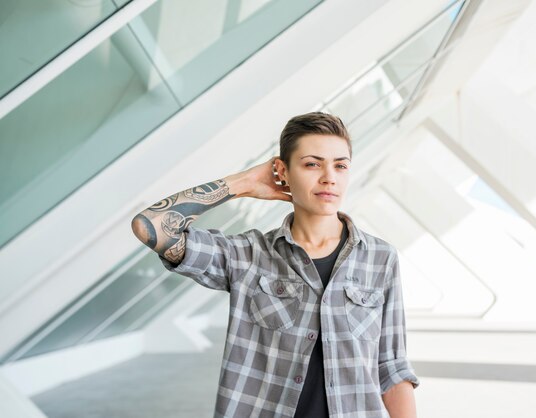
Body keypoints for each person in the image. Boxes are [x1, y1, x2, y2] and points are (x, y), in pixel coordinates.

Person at [131, 111, 419, 417]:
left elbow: (392, 367)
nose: (329, 177)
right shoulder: (248, 255)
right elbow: (152, 225)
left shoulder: (380, 258)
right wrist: (242, 183)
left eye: (340, 166)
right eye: (312, 164)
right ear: (282, 170)